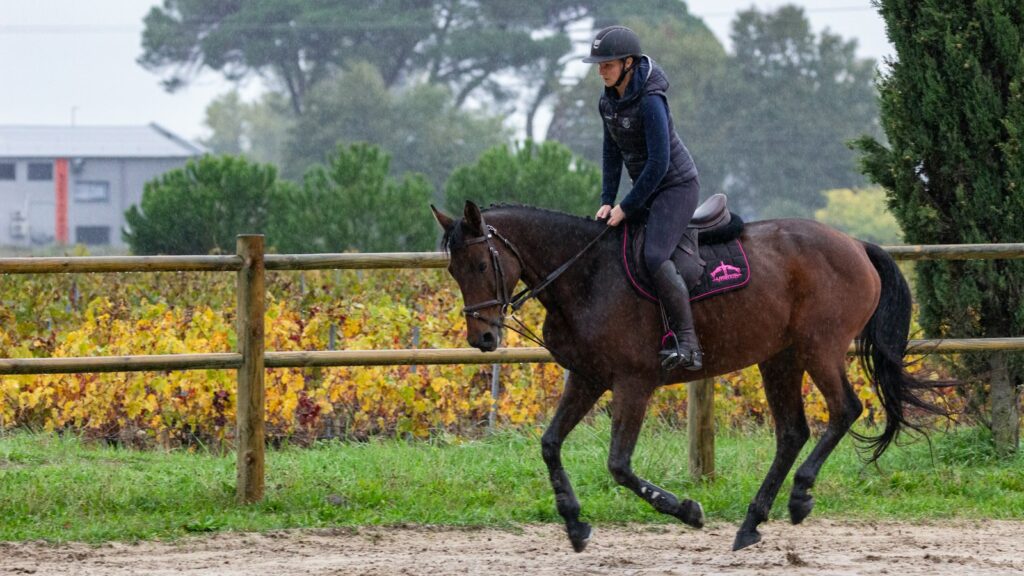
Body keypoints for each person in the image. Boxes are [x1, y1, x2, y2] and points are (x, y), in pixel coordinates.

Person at [583, 25, 702, 371]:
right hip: (647, 188)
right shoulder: (607, 100)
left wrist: (626, 206)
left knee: (652, 255)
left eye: (607, 64)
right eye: (599, 65)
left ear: (628, 63)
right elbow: (611, 153)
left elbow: (659, 162)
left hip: (676, 187)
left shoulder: (651, 100)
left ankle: (688, 343)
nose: (600, 71)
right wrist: (608, 199)